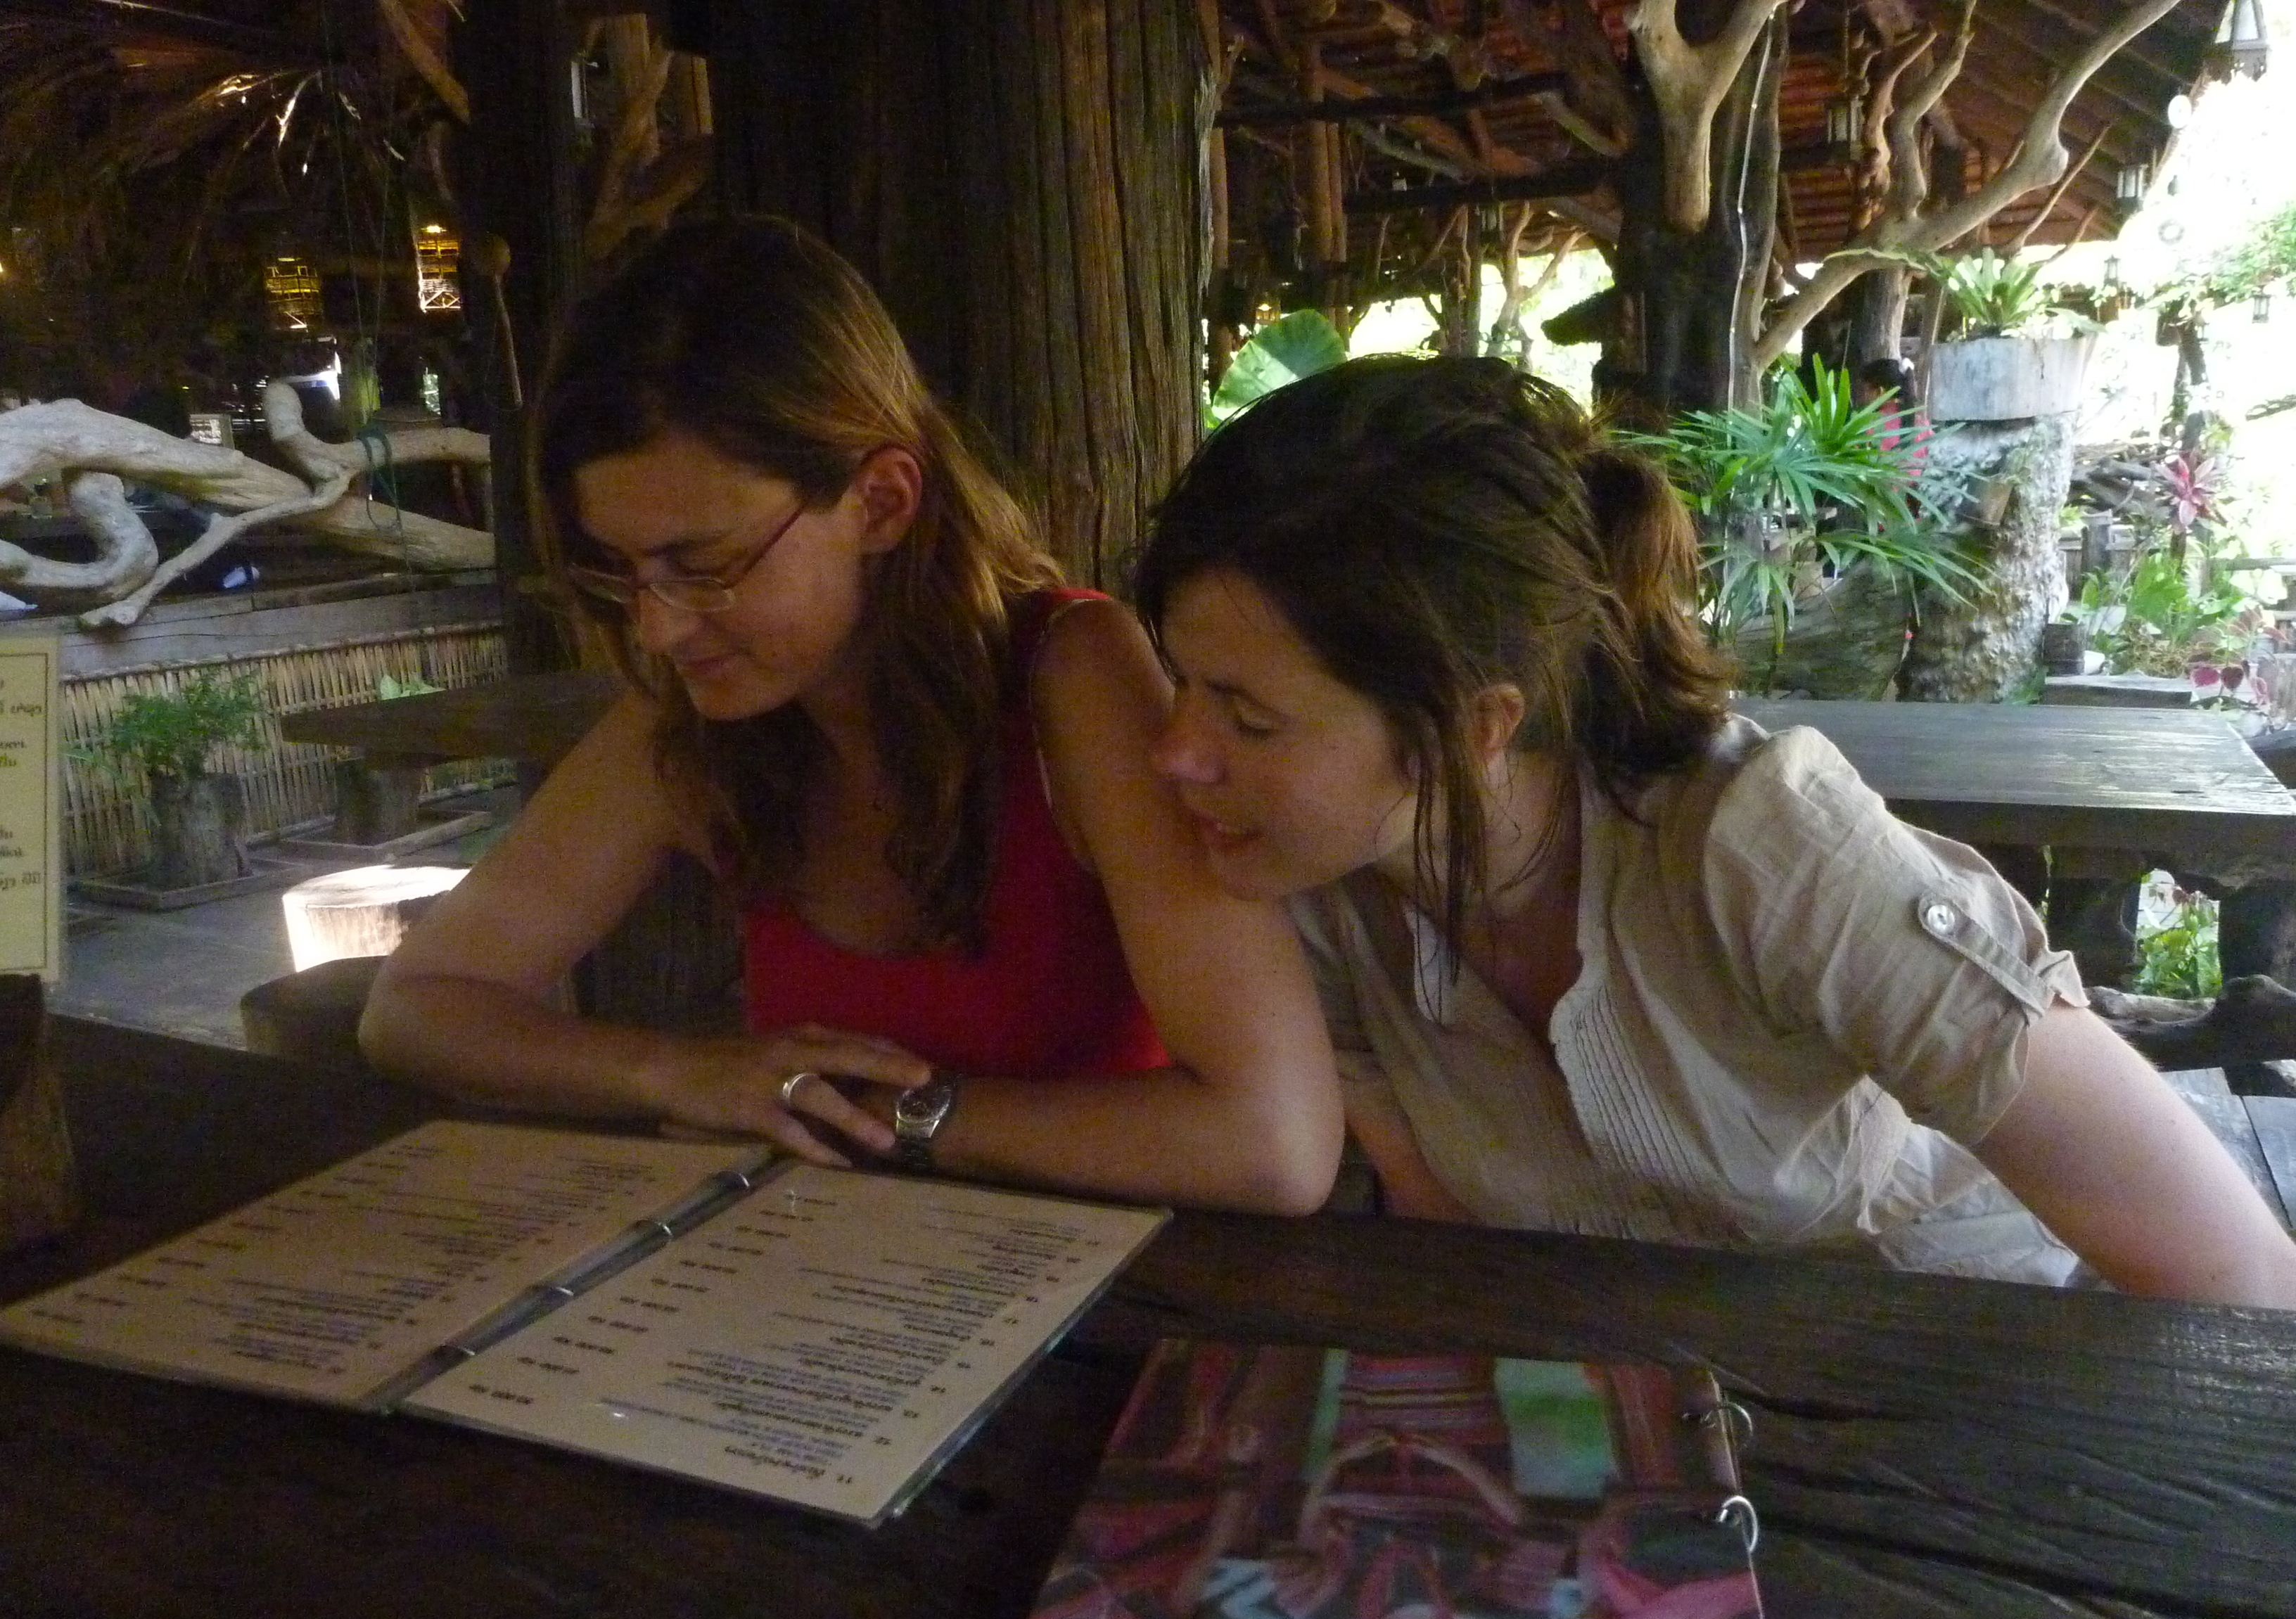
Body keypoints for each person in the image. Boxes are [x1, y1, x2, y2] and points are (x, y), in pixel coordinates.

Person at [1136, 353, 2296, 1305]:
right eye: (1181, 684)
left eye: (1246, 715)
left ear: (1476, 723)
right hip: (1657, 1428)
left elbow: (2235, 1274)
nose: (1174, 753)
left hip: (1960, 1377)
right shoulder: (1315, 901)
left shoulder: (1759, 845)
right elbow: (1471, 1274)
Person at [359, 217, 1341, 1212]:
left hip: (1102, 1307)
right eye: (620, 572)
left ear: (880, 501)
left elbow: (1275, 1144)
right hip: (835, 1295)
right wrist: (678, 1072)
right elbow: (416, 1007)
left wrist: (886, 1119)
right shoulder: (694, 722)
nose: (657, 629)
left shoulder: (1071, 676)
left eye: (707, 567)